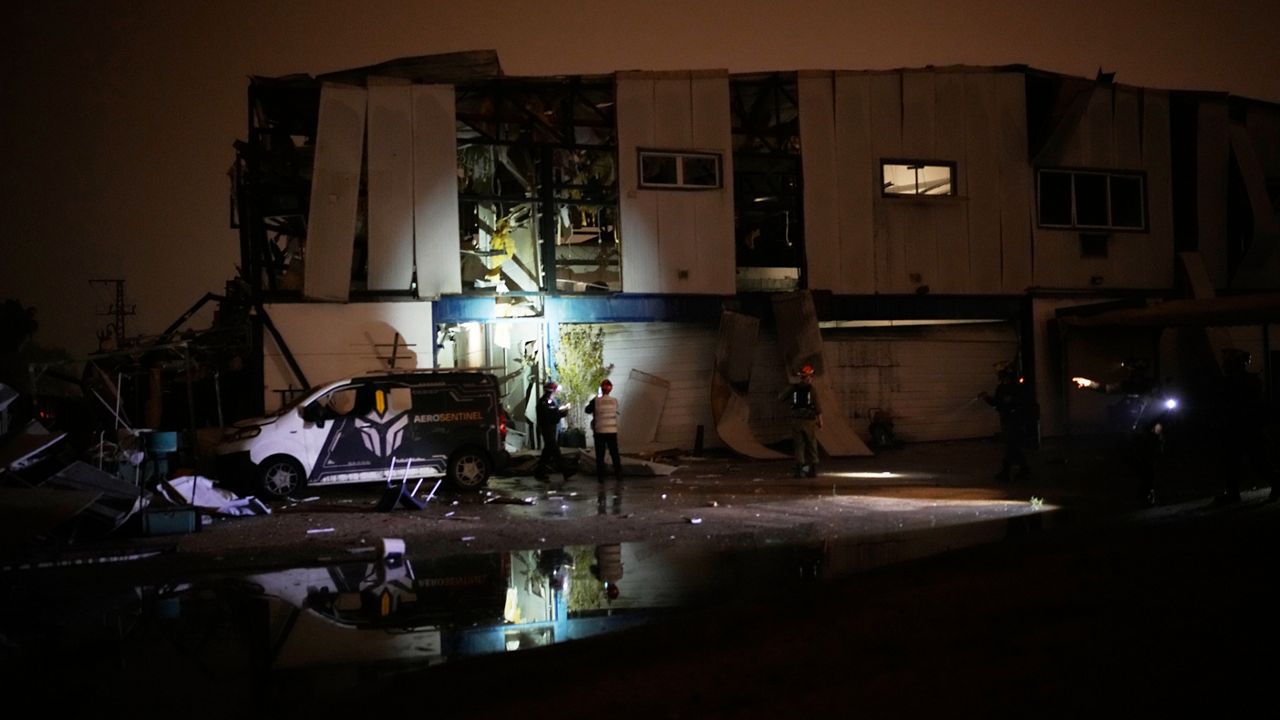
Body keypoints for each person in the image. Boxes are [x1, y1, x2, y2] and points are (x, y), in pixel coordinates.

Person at [1073, 357, 1165, 504]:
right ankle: (1144, 485)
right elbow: (1108, 389)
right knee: (1129, 455)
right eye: (1131, 372)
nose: (1132, 374)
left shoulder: (1152, 385)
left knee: (1149, 462)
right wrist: (1088, 383)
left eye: (1135, 371)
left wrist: (1158, 424)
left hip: (1150, 428)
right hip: (1133, 428)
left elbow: (1165, 405)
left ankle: (1148, 491)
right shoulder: (1128, 384)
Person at [1212, 348, 1278, 504]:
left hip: (1246, 427)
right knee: (1236, 462)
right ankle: (1233, 493)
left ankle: (1276, 484)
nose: (1225, 366)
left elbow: (1247, 405)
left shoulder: (1243, 381)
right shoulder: (1243, 381)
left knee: (1256, 461)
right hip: (1241, 427)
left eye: (1228, 363)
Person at [979, 360, 1037, 482]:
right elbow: (998, 403)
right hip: (1007, 420)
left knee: (1012, 446)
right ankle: (1018, 469)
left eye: (999, 372)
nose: (997, 375)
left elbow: (1010, 404)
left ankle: (1014, 470)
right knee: (1011, 446)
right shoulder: (1002, 387)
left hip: (1015, 421)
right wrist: (987, 398)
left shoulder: (1014, 388)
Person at [778, 364, 822, 477]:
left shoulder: (793, 388)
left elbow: (781, 398)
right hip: (809, 421)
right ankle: (813, 470)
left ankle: (800, 471)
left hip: (796, 421)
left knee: (799, 445)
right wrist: (820, 421)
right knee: (811, 444)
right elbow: (817, 407)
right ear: (807, 377)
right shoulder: (812, 390)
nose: (811, 379)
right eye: (810, 377)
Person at [534, 381, 575, 482]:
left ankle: (539, 472)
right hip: (547, 430)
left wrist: (561, 412)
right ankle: (566, 471)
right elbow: (550, 416)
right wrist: (560, 413)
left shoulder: (547, 401)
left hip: (550, 429)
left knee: (547, 452)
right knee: (556, 451)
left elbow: (553, 413)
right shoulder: (544, 402)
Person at [585, 378, 622, 482]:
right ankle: (618, 475)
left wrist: (596, 397)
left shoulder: (596, 400)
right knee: (614, 453)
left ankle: (601, 477)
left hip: (600, 431)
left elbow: (587, 410)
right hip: (612, 431)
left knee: (600, 455)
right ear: (611, 389)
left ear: (601, 388)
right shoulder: (614, 401)